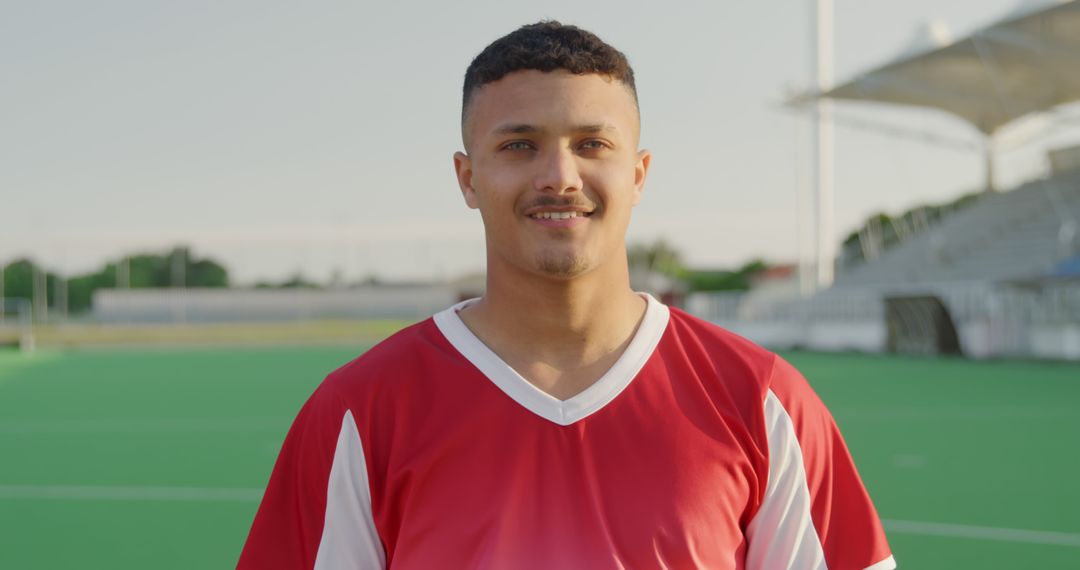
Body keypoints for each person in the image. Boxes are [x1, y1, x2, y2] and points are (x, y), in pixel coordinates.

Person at [238, 21, 895, 570]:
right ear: (468, 178)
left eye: (592, 145)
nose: (559, 177)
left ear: (638, 174)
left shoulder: (761, 399)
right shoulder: (360, 409)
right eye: (520, 145)